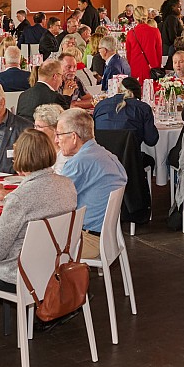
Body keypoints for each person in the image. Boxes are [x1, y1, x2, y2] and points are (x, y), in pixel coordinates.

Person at [0, 129, 78, 358]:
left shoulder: (20, 198)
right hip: (55, 268)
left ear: (20, 159)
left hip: (21, 276)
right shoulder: (66, 184)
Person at [57, 108, 128, 258]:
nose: (57, 140)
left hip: (89, 240)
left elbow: (54, 200)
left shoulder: (80, 163)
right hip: (110, 236)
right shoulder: (108, 155)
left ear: (74, 137)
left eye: (59, 134)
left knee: (29, 243)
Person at [93, 76, 159, 150]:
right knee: (150, 160)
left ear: (119, 89)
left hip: (102, 158)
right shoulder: (143, 108)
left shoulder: (100, 106)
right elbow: (151, 140)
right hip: (130, 159)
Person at [125, 6, 163, 83]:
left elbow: (128, 54)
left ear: (135, 17)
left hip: (135, 66)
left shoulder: (131, 33)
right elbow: (159, 52)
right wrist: (157, 67)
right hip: (152, 66)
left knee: (137, 90)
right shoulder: (155, 31)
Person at [159, 0, 184, 65]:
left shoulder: (168, 18)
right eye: (179, 7)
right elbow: (172, 36)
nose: (181, 9)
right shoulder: (172, 18)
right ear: (172, 7)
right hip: (170, 49)